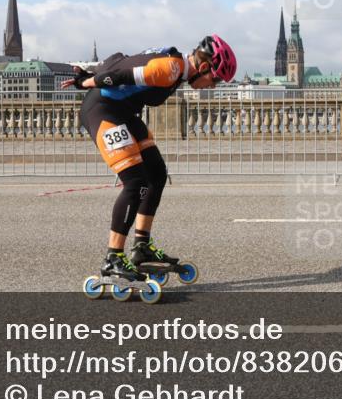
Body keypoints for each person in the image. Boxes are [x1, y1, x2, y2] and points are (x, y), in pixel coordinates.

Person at [62, 35, 237, 285]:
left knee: (156, 174)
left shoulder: (176, 67)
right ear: (205, 67)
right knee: (136, 182)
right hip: (103, 110)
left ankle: (141, 245)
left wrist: (92, 72)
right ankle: (113, 258)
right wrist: (88, 81)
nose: (215, 85)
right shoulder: (169, 69)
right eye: (216, 78)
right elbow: (121, 74)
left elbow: (120, 59)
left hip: (122, 112)